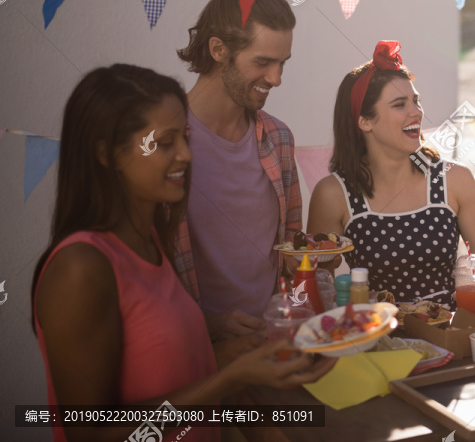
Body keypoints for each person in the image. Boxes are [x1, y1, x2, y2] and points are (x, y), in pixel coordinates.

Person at [31, 64, 335, 442]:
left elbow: (165, 374)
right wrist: (230, 378)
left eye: (185, 138)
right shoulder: (81, 268)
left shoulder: (152, 244)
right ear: (107, 155)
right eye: (164, 143)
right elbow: (92, 434)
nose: (186, 156)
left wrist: (241, 356)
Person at [307, 41, 475, 321]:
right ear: (365, 121)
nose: (416, 112)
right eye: (400, 104)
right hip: (377, 344)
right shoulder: (333, 193)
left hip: (449, 336)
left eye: (416, 100)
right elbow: (318, 282)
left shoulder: (454, 179)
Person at [175, 0, 303, 340]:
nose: (276, 79)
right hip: (194, 354)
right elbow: (142, 273)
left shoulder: (278, 138)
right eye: (262, 62)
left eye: (282, 63)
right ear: (218, 49)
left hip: (270, 348)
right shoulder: (162, 142)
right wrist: (208, 325)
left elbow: (292, 249)